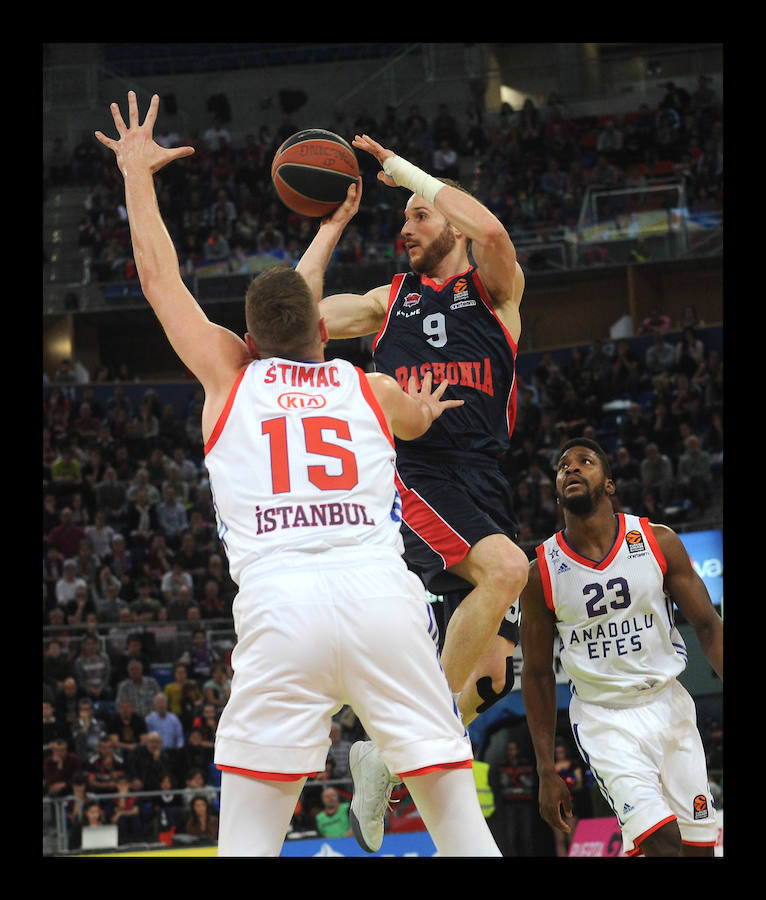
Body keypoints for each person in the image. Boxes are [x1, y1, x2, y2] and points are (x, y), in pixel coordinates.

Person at [95, 92, 501, 858]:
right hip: (383, 603)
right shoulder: (370, 388)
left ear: (247, 338)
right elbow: (414, 418)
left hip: (281, 613)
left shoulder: (229, 376)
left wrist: (136, 174)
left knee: (247, 843)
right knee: (459, 825)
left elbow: (158, 279)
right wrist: (422, 409)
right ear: (323, 330)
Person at [295, 130, 529, 850]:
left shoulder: (495, 291)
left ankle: (385, 761)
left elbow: (489, 227)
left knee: (495, 673)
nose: (404, 227)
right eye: (402, 219)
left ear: (448, 220)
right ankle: (396, 747)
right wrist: (332, 228)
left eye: (418, 216)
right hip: (418, 478)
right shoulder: (382, 303)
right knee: (507, 569)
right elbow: (290, 326)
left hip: (488, 483)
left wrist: (402, 171)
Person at [519, 437, 723, 857]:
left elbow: (709, 626)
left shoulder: (657, 541)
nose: (570, 469)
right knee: (664, 846)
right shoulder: (540, 572)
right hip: (605, 720)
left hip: (670, 706)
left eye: (584, 462)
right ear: (556, 489)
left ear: (608, 484)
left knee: (700, 850)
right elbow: (537, 673)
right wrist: (545, 768)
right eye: (562, 467)